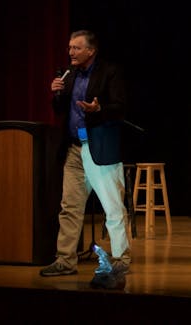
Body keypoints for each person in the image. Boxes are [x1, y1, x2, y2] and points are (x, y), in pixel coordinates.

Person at [40, 30, 131, 277]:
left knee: (112, 207)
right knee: (69, 207)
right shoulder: (69, 75)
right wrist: (56, 93)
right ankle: (65, 260)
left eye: (76, 48)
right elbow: (60, 110)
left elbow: (120, 107)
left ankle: (120, 258)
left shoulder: (109, 72)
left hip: (100, 148)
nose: (71, 52)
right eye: (69, 47)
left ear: (91, 50)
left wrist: (99, 108)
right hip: (73, 149)